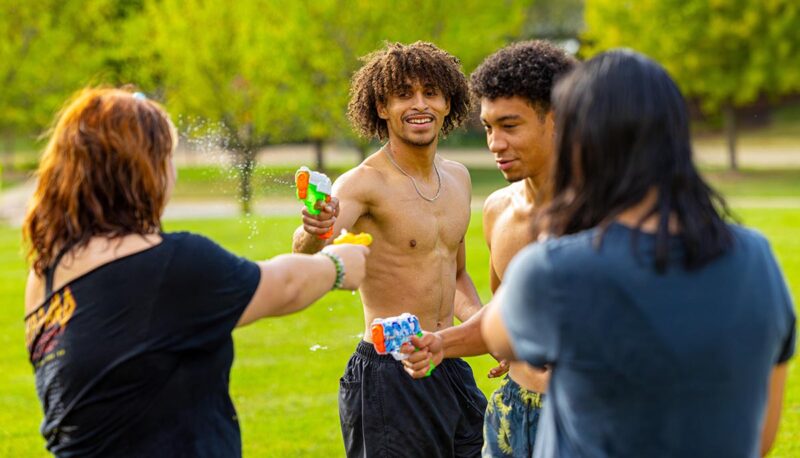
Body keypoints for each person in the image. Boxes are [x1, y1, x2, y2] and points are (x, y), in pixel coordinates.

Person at [22, 87, 369, 457]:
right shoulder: (171, 266)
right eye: (167, 157)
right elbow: (282, 284)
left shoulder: (46, 273)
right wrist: (336, 264)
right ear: (144, 170)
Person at [481, 50, 795, 457]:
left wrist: (559, 217)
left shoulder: (556, 271)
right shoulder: (756, 259)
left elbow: (497, 334)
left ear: (582, 143)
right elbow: (761, 438)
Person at [292, 41, 487, 457]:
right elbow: (304, 253)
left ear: (448, 102)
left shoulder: (459, 179)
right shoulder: (362, 184)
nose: (420, 105)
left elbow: (455, 275)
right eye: (404, 95)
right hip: (389, 374)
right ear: (381, 108)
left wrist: (483, 330)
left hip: (447, 361)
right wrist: (314, 228)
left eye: (430, 92)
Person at [402, 40, 576, 457]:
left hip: (583, 417)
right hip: (511, 411)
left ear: (558, 120)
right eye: (487, 127)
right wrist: (443, 344)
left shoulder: (610, 216)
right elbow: (505, 322)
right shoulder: (497, 210)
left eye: (510, 126)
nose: (494, 143)